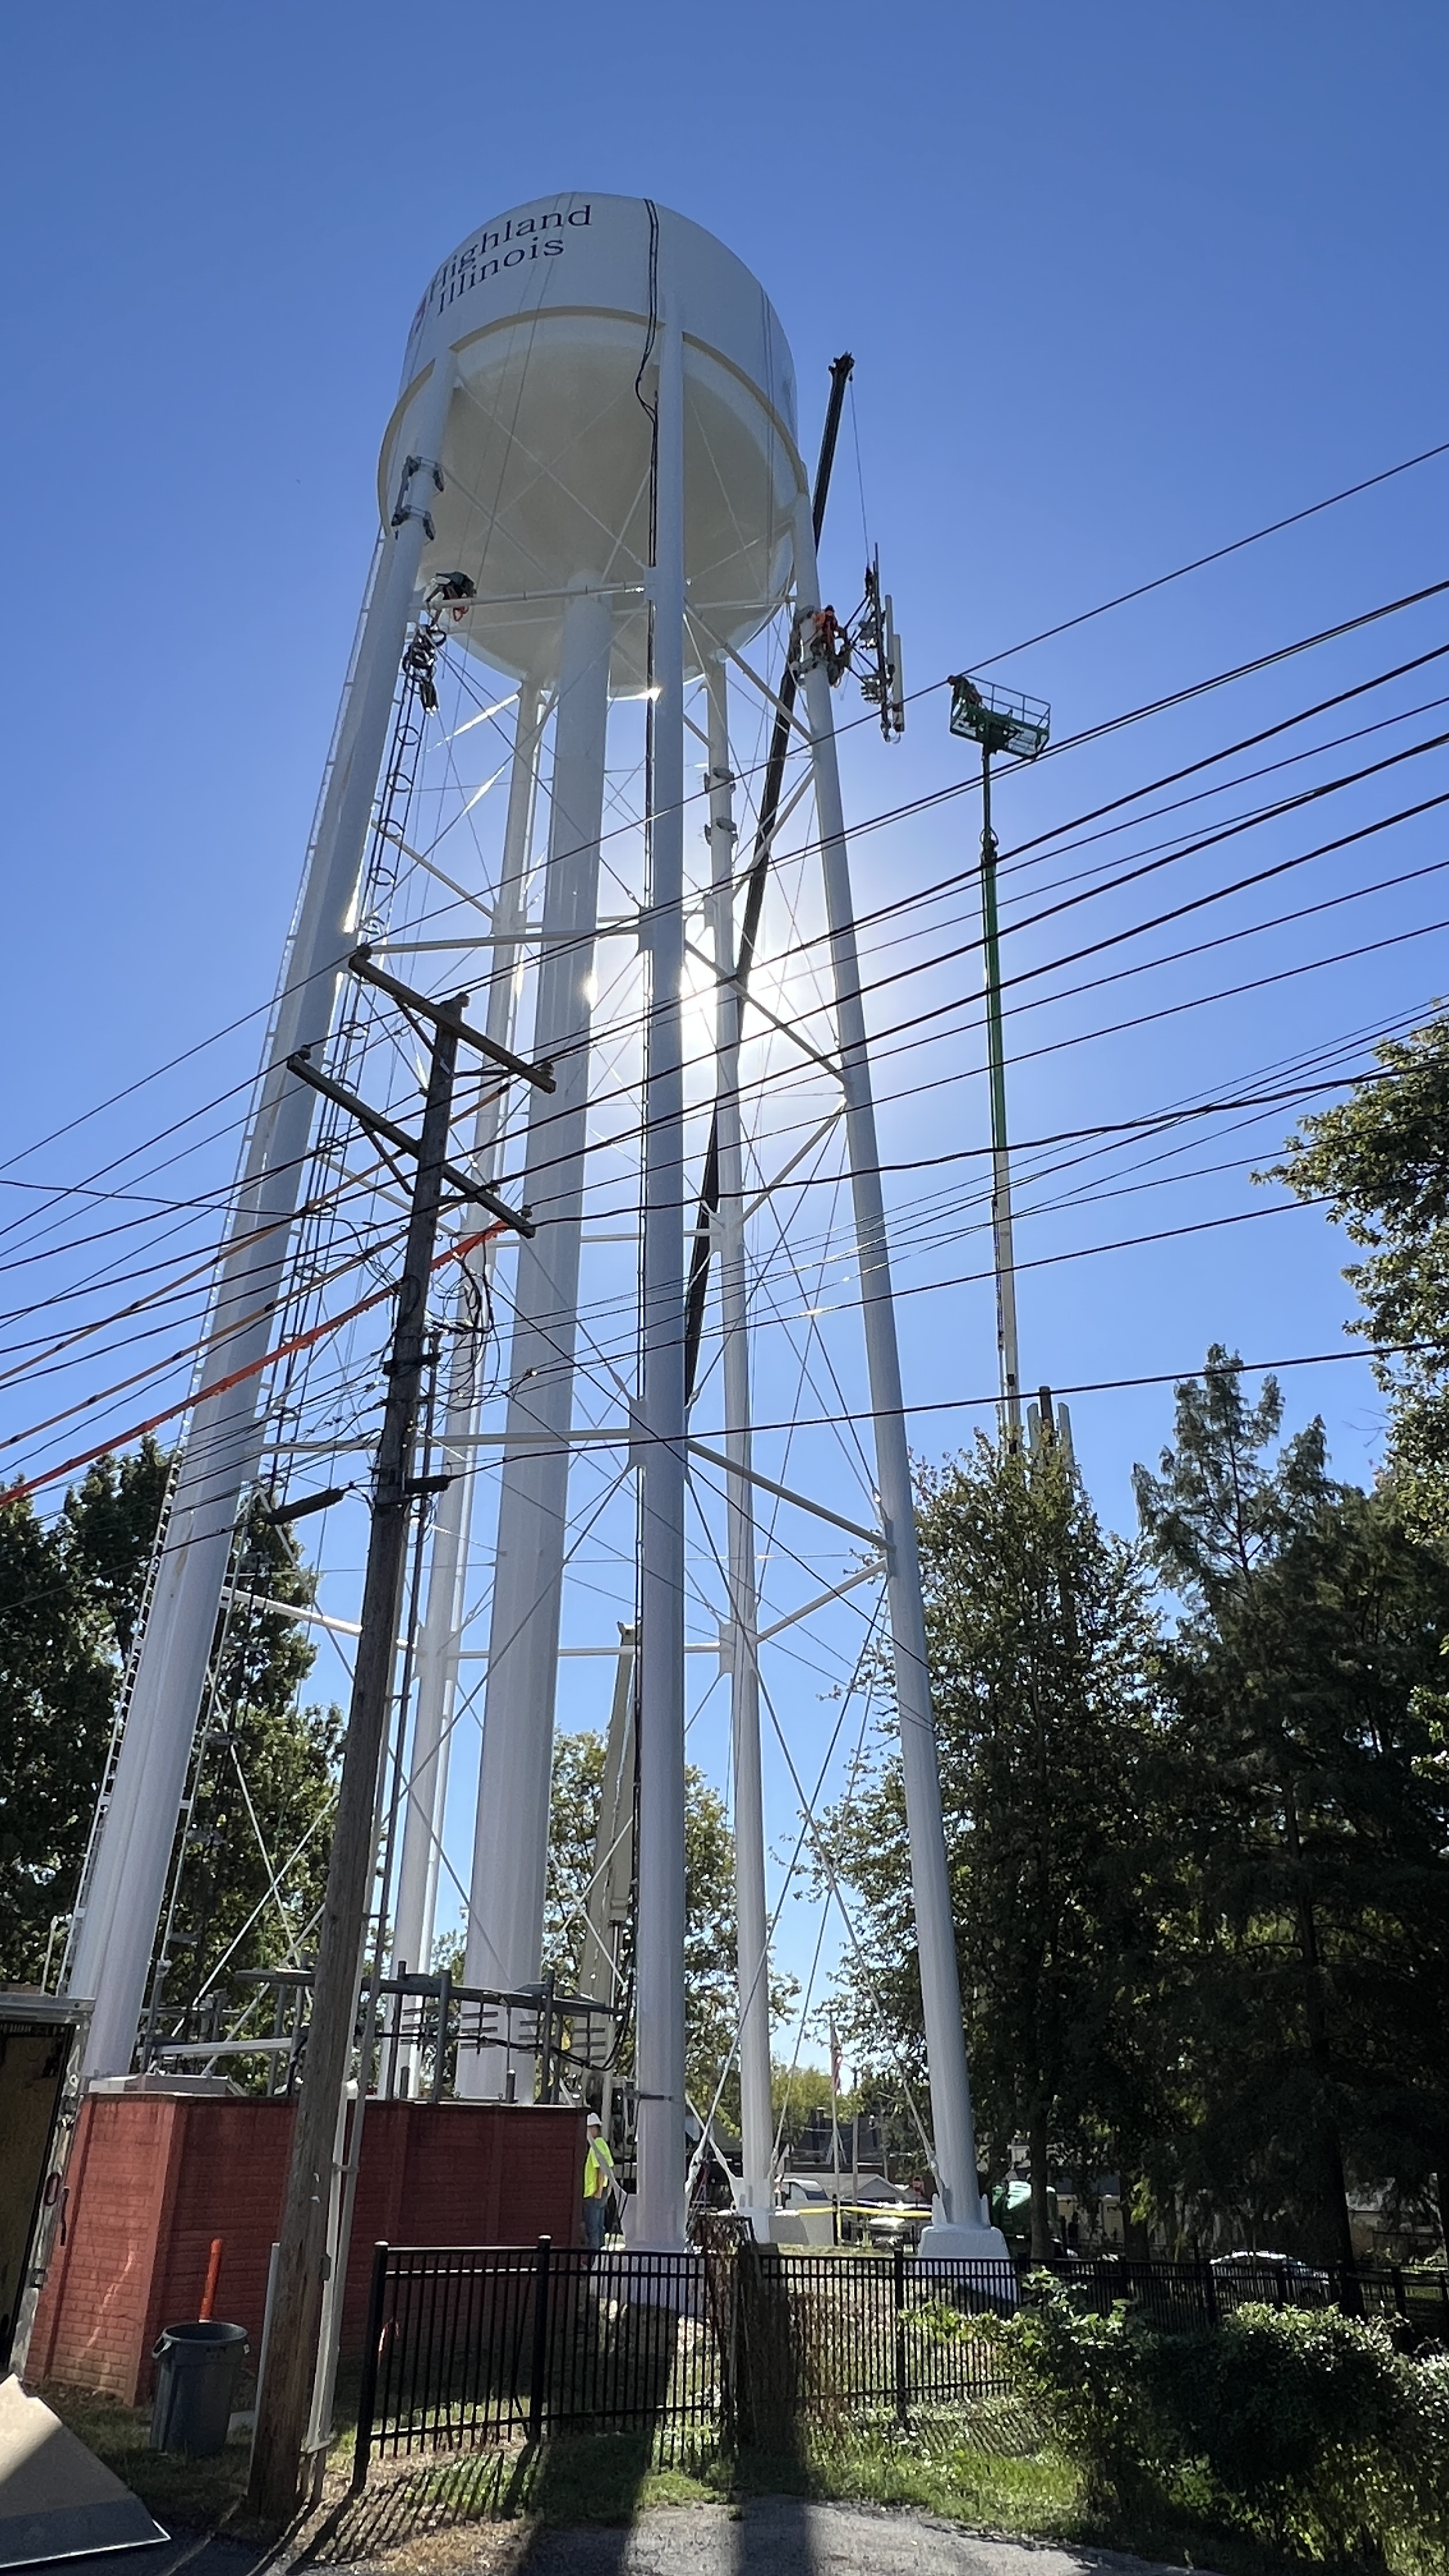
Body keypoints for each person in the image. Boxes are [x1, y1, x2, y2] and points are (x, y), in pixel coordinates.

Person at [582, 2111, 616, 2253]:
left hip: (594, 2194)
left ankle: (594, 2261)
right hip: (601, 2194)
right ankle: (601, 2260)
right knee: (600, 2228)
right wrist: (607, 2190)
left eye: (589, 2128)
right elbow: (611, 2167)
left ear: (594, 2129)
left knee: (593, 2230)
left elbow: (601, 2169)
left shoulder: (596, 2145)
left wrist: (598, 2191)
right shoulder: (603, 2144)